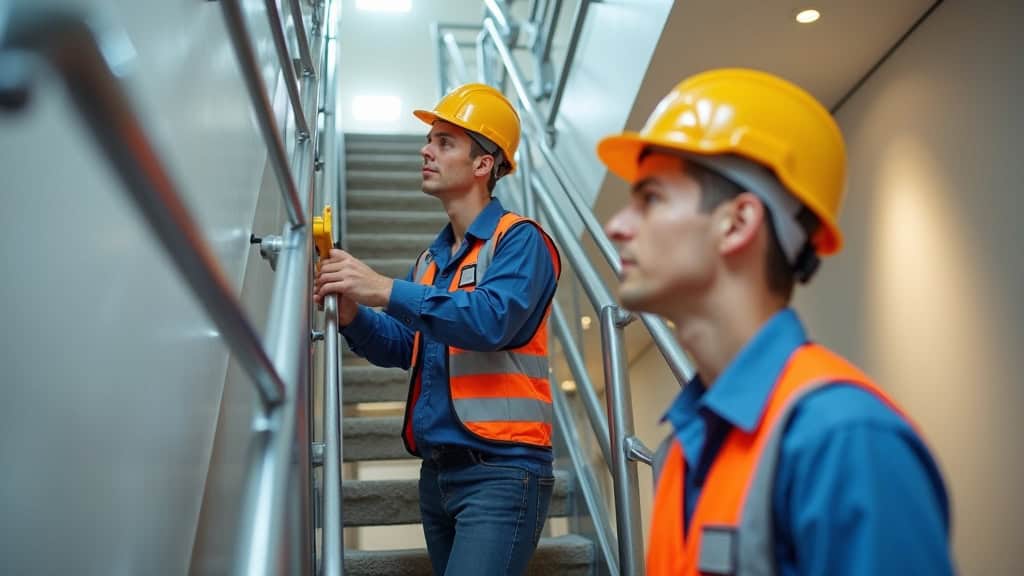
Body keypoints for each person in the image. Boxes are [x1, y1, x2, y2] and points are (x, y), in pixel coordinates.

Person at [598, 68, 955, 575]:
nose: (616, 225)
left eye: (650, 198)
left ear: (737, 223)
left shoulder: (844, 440)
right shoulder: (679, 448)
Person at [314, 83, 561, 576]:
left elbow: (490, 320)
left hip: (503, 469)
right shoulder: (430, 260)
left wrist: (385, 289)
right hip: (438, 473)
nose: (425, 151)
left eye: (444, 142)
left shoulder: (520, 241)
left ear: (483, 164)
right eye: (429, 140)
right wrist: (353, 314)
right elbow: (406, 345)